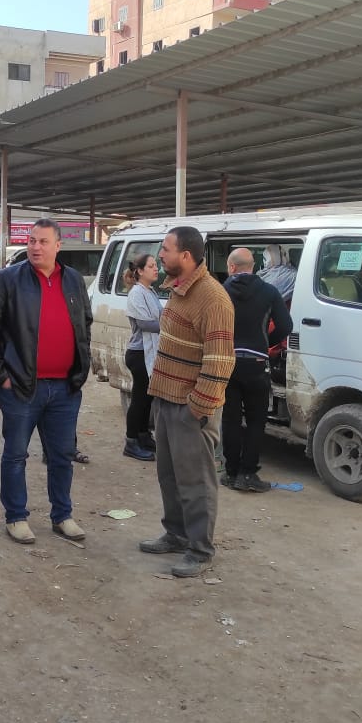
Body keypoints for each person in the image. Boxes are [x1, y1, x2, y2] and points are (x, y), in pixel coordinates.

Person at [0, 218, 92, 545]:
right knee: (16, 455)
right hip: (21, 388)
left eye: (43, 241)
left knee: (62, 456)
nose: (35, 247)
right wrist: (2, 376)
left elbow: (84, 323)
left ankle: (62, 516)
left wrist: (80, 370)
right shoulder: (8, 279)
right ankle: (16, 517)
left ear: (58, 245)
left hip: (65, 389)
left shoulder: (73, 280)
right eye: (31, 241)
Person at [138, 226, 235, 578]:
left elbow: (220, 360)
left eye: (166, 249)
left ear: (186, 255)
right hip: (167, 399)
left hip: (191, 407)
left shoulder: (213, 298)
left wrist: (199, 407)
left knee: (196, 481)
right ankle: (176, 534)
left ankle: (200, 549)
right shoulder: (179, 289)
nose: (160, 255)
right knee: (169, 475)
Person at [222, 248, 293, 492]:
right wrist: (265, 343)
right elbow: (286, 325)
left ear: (232, 267)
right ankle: (247, 474)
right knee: (255, 420)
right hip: (256, 364)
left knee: (230, 419)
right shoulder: (269, 291)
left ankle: (231, 473)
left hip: (228, 363)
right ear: (252, 266)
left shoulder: (221, 291)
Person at [123, 253, 162, 461]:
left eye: (156, 265)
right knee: (139, 398)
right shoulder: (137, 293)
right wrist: (172, 326)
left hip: (149, 352)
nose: (156, 269)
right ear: (139, 271)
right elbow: (145, 324)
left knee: (147, 398)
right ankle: (131, 441)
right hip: (139, 353)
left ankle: (143, 435)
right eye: (151, 266)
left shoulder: (150, 291)